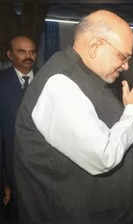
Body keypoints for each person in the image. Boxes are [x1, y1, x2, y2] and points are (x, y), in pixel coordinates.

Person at [14, 10, 133, 223]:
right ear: (95, 47)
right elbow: (103, 156)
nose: (126, 65)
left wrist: (126, 109)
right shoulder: (60, 85)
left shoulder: (84, 75)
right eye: (123, 56)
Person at [0, 35, 37, 223]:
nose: (28, 56)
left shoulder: (48, 81)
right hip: (12, 170)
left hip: (43, 169)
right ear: (9, 55)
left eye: (32, 51)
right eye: (22, 51)